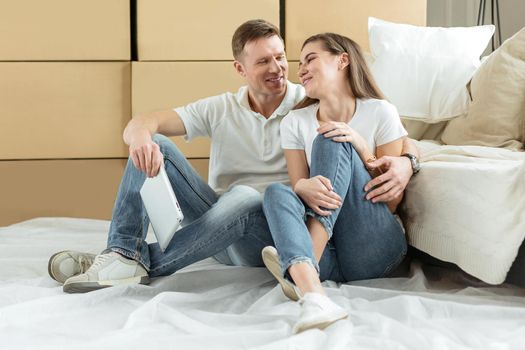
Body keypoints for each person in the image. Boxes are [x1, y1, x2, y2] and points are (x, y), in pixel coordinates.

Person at [46, 20, 419, 301]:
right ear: (240, 69)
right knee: (156, 143)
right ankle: (122, 251)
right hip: (216, 224)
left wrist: (408, 162)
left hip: (274, 229)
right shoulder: (221, 108)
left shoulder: (307, 100)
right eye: (263, 62)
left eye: (280, 57)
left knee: (248, 196)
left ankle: (128, 262)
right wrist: (139, 135)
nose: (278, 68)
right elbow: (146, 121)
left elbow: (391, 136)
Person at [261, 33, 419, 333]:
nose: (301, 69)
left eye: (310, 59)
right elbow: (302, 190)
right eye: (299, 63)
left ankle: (301, 267)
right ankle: (313, 292)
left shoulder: (380, 111)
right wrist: (299, 187)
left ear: (342, 60)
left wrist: (359, 145)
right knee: (276, 192)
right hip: (331, 256)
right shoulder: (294, 122)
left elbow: (391, 202)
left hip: (375, 246)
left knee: (330, 138)